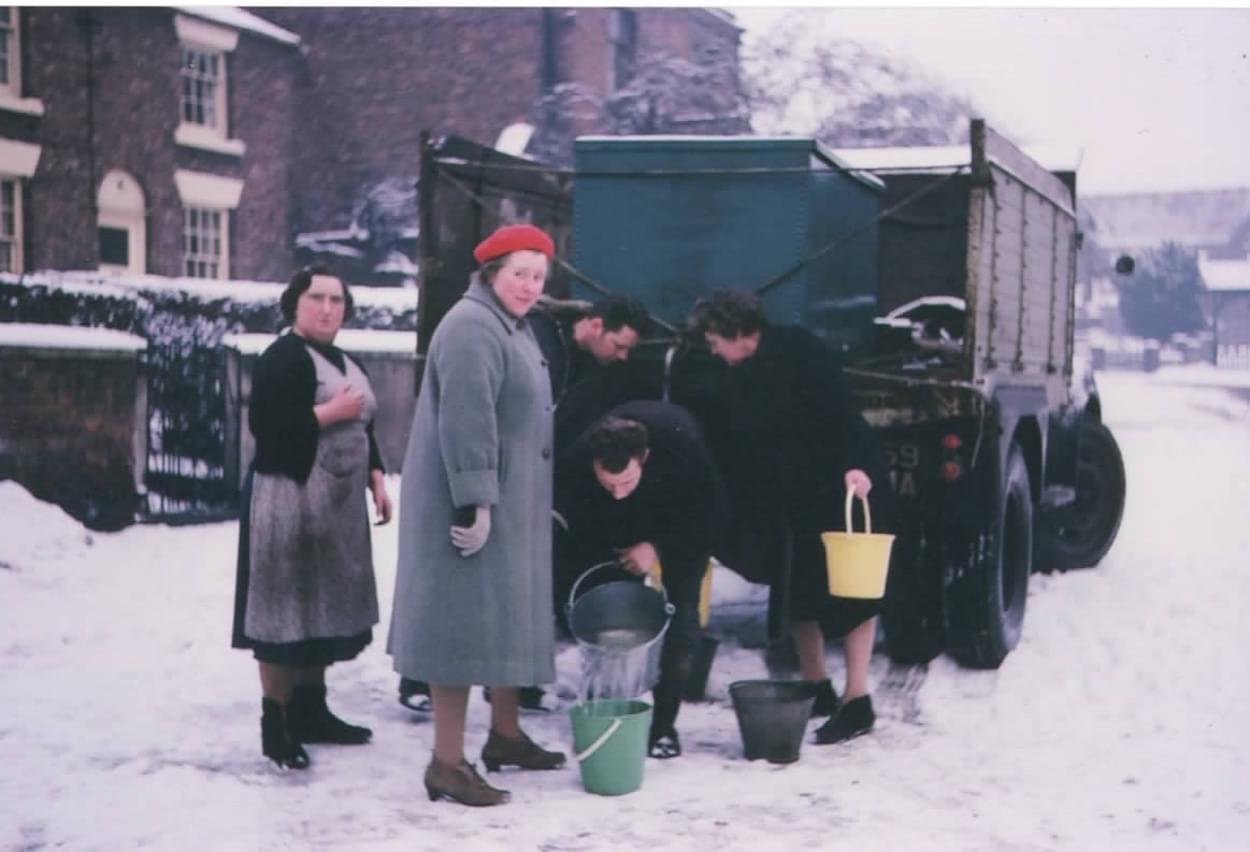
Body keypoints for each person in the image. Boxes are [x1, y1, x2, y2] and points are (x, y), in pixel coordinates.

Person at [397, 293, 651, 715]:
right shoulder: (534, 337)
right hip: (497, 477)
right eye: (619, 345)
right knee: (464, 583)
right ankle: (421, 677)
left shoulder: (589, 364)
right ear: (593, 325)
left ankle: (516, 684)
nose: (623, 357)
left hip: (541, 489)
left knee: (524, 593)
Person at [388, 223, 566, 807]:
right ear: (491, 272)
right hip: (469, 503)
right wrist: (476, 502)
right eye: (519, 273)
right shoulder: (471, 326)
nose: (530, 286)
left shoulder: (508, 324)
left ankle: (506, 735)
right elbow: (468, 422)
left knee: (504, 617)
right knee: (461, 628)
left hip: (510, 497)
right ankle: (446, 763)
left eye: (539, 277)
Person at [688, 289, 895, 745]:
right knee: (797, 588)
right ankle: (816, 684)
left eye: (715, 339)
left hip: (842, 483)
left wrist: (856, 468)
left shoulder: (798, 351)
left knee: (850, 591)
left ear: (739, 332)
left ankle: (857, 701)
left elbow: (842, 413)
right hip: (794, 495)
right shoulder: (737, 373)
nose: (712, 349)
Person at [231, 266, 393, 770]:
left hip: (335, 505)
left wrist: (376, 474)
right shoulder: (282, 358)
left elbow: (366, 423)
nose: (327, 308)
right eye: (316, 298)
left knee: (320, 608)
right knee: (282, 613)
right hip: (287, 499)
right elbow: (268, 427)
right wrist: (329, 414)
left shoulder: (344, 359)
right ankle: (276, 725)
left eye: (337, 300)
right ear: (295, 303)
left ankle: (311, 710)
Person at [555, 400, 729, 759]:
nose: (618, 491)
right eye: (609, 483)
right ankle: (605, 713)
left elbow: (712, 517)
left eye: (627, 481)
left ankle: (664, 726)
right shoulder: (576, 461)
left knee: (681, 618)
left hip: (681, 524)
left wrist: (657, 546)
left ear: (644, 458)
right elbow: (576, 523)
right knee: (608, 617)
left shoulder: (683, 450)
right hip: (614, 532)